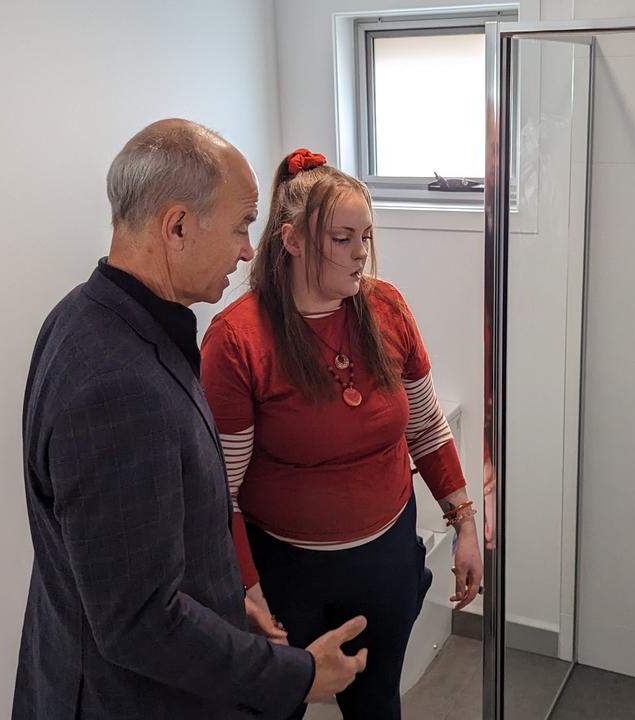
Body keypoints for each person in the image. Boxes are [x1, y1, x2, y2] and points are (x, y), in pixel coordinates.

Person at [13, 121, 367, 720]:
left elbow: (142, 545)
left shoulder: (84, 316)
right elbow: (139, 622)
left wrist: (225, 598)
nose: (249, 249)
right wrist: (300, 675)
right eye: (241, 226)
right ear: (176, 226)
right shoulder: (118, 386)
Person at [200, 148, 483, 719]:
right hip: (285, 573)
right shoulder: (238, 340)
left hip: (385, 562)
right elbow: (219, 493)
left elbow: (426, 428)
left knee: (377, 705)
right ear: (294, 239)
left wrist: (465, 523)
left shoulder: (385, 308)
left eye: (366, 237)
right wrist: (248, 590)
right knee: (276, 710)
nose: (361, 255)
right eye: (343, 239)